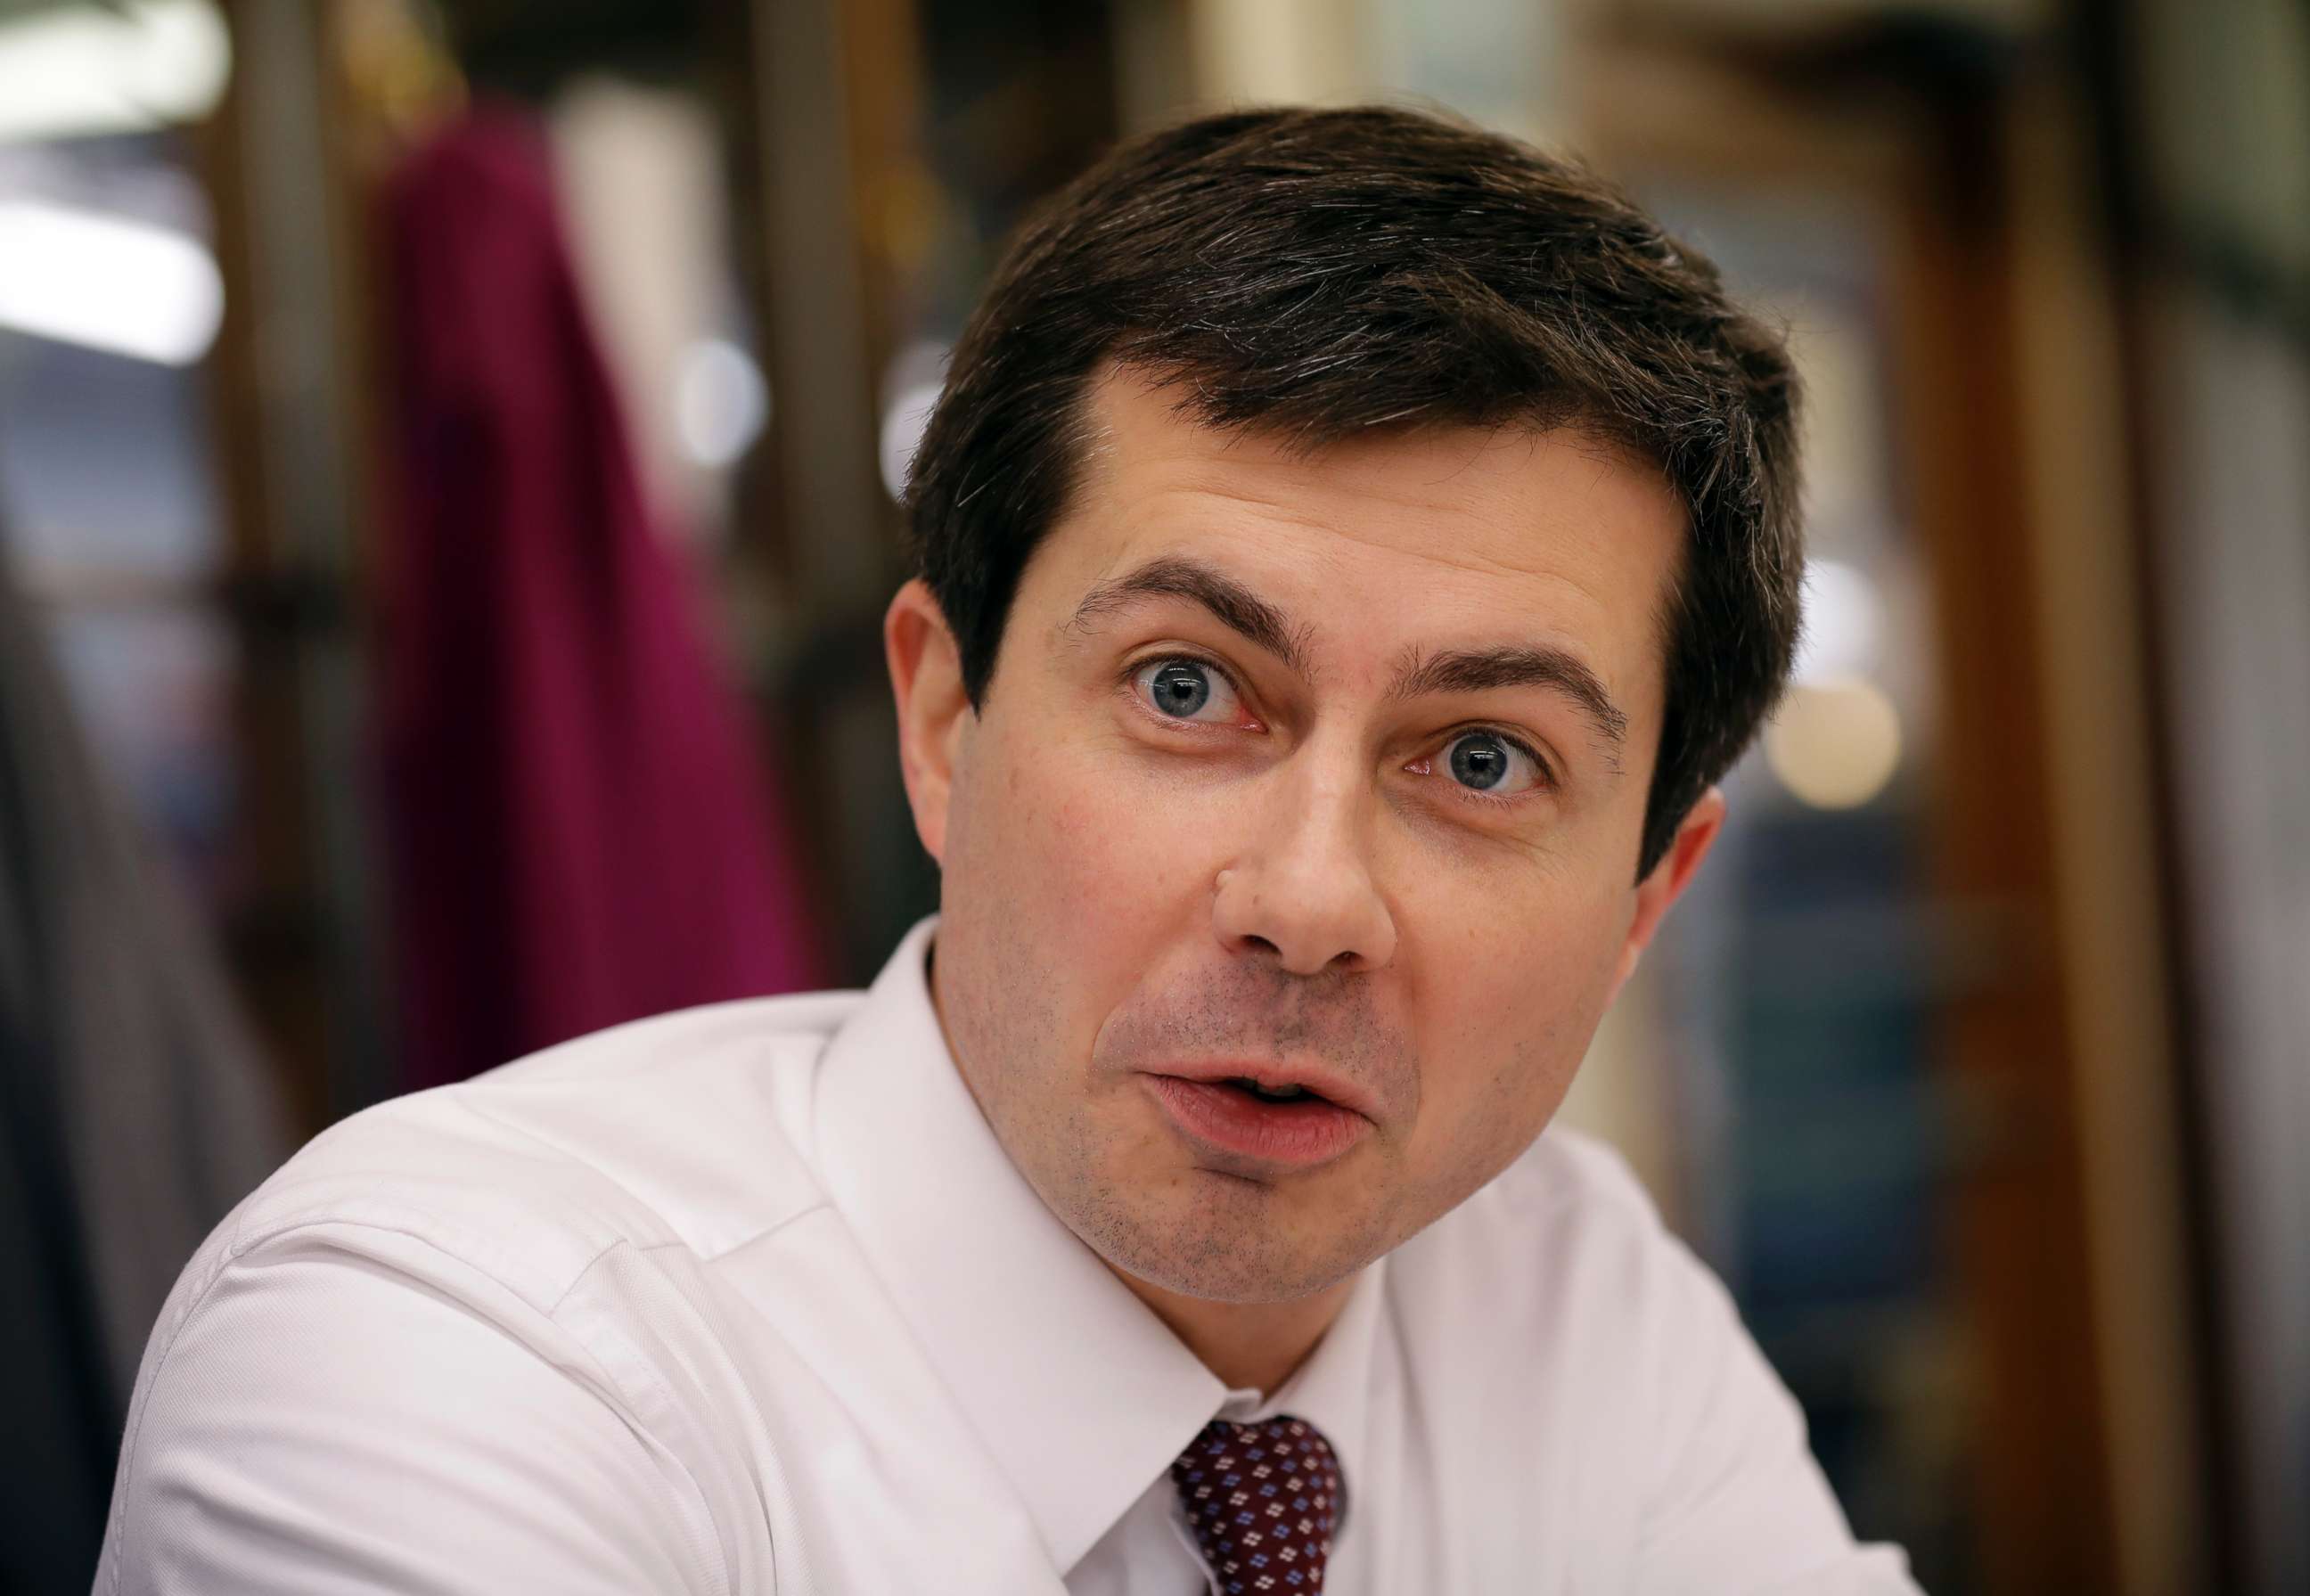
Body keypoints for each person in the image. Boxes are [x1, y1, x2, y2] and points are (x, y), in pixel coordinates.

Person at [96, 106, 1921, 1594]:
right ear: (945, 721)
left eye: (1482, 754)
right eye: (1190, 685)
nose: (1305, 901)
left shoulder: (1573, 1296)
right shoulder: (458, 1343)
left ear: (1644, 902)